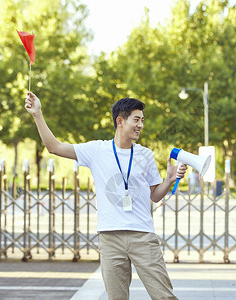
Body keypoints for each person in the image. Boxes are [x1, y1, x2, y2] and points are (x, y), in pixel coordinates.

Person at [24, 92, 186, 300]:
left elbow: (154, 196)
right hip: (110, 238)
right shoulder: (96, 150)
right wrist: (37, 114)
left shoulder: (145, 154)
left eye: (142, 120)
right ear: (120, 121)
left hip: (142, 235)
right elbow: (54, 147)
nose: (141, 125)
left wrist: (168, 180)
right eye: (136, 120)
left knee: (164, 296)